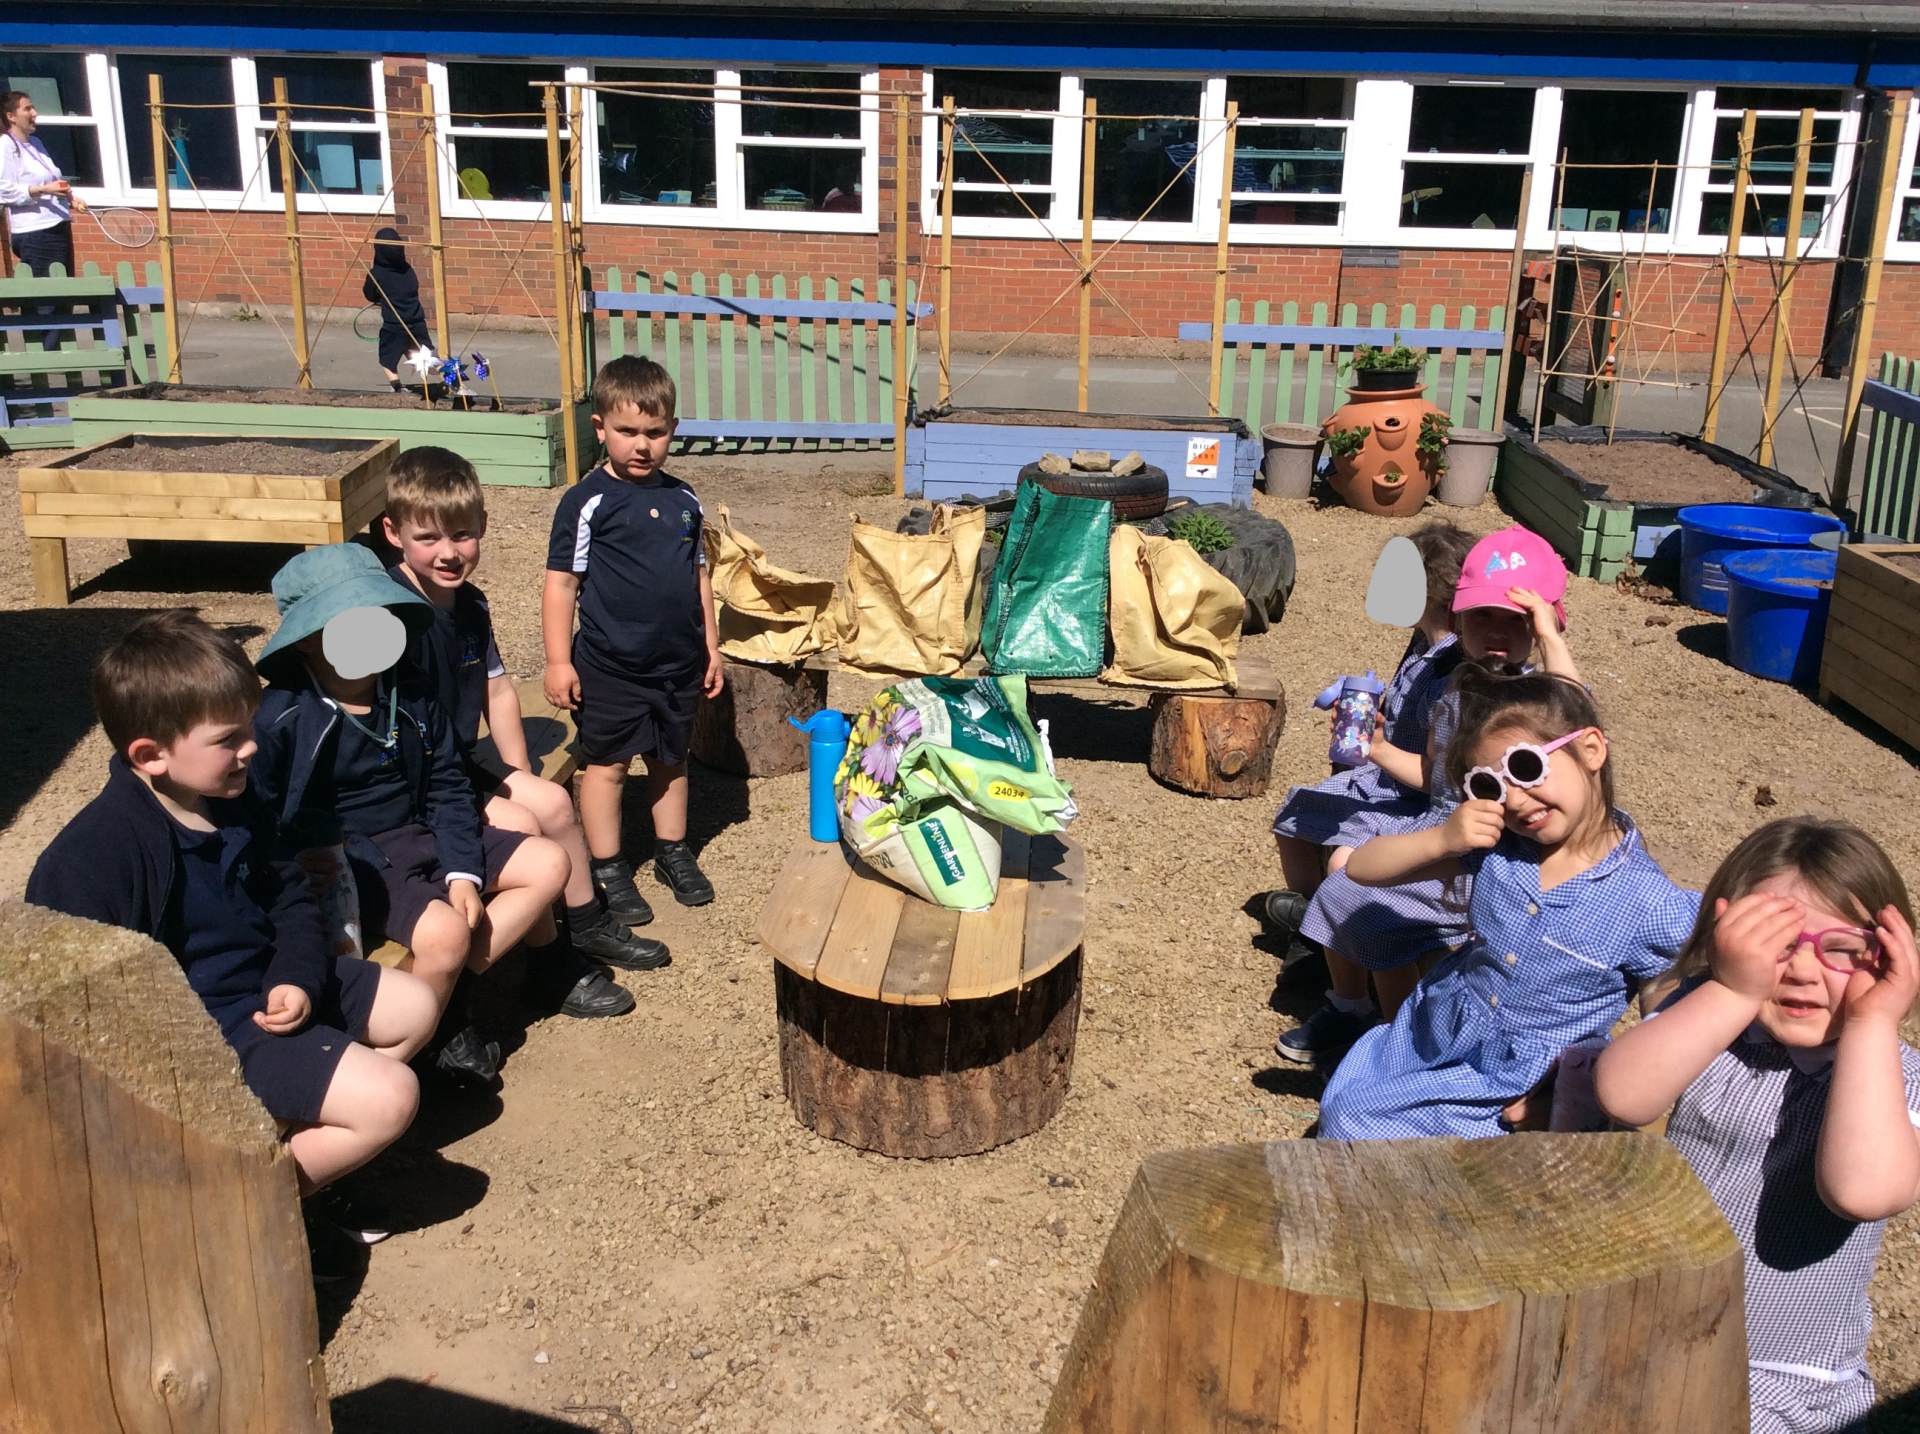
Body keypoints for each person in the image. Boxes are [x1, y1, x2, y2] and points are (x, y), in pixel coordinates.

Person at [25, 611, 439, 1276]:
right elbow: (81, 1017)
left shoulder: (229, 794)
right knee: (391, 1097)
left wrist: (297, 975)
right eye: (228, 738)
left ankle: (306, 1167)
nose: (250, 747)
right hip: (204, 1032)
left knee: (415, 1005)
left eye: (248, 726)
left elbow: (291, 896)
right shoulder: (95, 858)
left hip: (266, 985)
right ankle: (249, 1211)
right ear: (150, 755)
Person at [250, 544, 633, 1091]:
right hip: (359, 859)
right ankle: (431, 1040)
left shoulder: (407, 690)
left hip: (425, 831)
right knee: (447, 934)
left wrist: (462, 871)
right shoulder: (282, 716)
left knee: (550, 863)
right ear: (310, 639)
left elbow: (448, 785)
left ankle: (448, 999)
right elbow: (261, 815)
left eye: (379, 613)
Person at [1595, 818, 1920, 1433]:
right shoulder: (1717, 1020)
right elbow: (1623, 1096)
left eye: (1842, 949)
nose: (1802, 969)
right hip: (1651, 1331)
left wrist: (1871, 1024)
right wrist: (1734, 991)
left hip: (1779, 1376)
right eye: (1776, 942)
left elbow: (1864, 1191)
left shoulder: (1890, 1073)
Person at [1315, 665, 1697, 1139]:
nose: (1513, 800)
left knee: (1355, 1125)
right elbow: (1361, 869)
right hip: (1432, 1027)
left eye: (1526, 767)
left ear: (1591, 749)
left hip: (1509, 1083)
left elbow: (1672, 1014)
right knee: (1347, 1104)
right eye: (1490, 786)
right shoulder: (1500, 846)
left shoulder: (1650, 903)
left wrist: (1587, 1084)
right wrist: (1442, 839)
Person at [1274, 524, 1583, 1066]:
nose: (1497, 632)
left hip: (1498, 851)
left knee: (1364, 897)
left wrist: (1553, 639)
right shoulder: (1456, 688)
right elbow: (1434, 775)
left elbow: (1578, 719)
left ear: (1540, 628)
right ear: (1457, 619)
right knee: (1345, 889)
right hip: (1443, 829)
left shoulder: (1537, 694)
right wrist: (1376, 747)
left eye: (1517, 621)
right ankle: (1367, 1018)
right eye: (1482, 616)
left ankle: (1400, 1045)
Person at [381, 445, 670, 974]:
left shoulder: (470, 604)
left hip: (454, 763)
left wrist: (515, 772)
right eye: (428, 538)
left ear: (483, 526)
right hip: (413, 783)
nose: (448, 553)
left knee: (552, 801)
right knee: (522, 822)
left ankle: (584, 923)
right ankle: (547, 960)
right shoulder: (389, 612)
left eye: (461, 535)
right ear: (393, 533)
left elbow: (496, 688)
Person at [544, 356, 725, 925]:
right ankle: (609, 866)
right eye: (627, 431)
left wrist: (711, 647)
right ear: (600, 428)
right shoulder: (587, 501)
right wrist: (557, 661)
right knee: (609, 765)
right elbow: (562, 583)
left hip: (677, 663)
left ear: (673, 429)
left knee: (671, 759)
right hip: (610, 665)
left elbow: (699, 577)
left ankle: (673, 851)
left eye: (655, 432)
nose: (642, 445)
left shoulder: (685, 500)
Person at [1262, 519, 1476, 959]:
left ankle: (1325, 933)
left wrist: (1376, 747)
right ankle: (1312, 930)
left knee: (1344, 861)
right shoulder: (1423, 643)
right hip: (1384, 779)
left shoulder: (1452, 673)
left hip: (1413, 799)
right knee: (1294, 815)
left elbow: (1437, 779)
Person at [1, 90, 76, 350]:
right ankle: (44, 354)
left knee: (63, 295)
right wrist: (42, 190)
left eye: (33, 108)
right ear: (11, 116)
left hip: (57, 224)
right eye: (27, 109)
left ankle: (59, 353)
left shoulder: (36, 144)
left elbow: (53, 179)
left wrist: (70, 197)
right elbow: (3, 190)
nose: (34, 113)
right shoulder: (5, 146)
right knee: (47, 299)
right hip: (35, 233)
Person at [364, 227, 430, 390]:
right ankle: (450, 380)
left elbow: (370, 294)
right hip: (417, 322)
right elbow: (411, 288)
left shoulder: (377, 273)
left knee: (387, 359)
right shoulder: (407, 269)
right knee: (424, 357)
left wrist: (379, 298)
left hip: (395, 326)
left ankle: (397, 387)